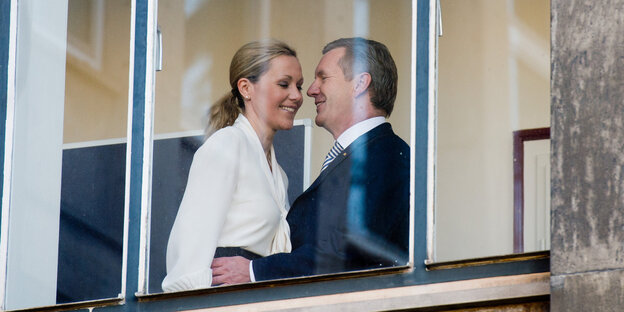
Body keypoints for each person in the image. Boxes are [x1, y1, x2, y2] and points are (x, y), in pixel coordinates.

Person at [211, 37, 410, 285]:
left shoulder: (387, 155)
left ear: (360, 83)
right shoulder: (364, 155)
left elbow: (349, 250)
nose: (311, 90)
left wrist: (255, 272)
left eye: (323, 77)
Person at [162, 40, 304, 292]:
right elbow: (189, 254)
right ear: (246, 88)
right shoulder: (227, 145)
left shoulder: (278, 174)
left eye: (299, 86)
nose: (296, 95)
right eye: (284, 84)